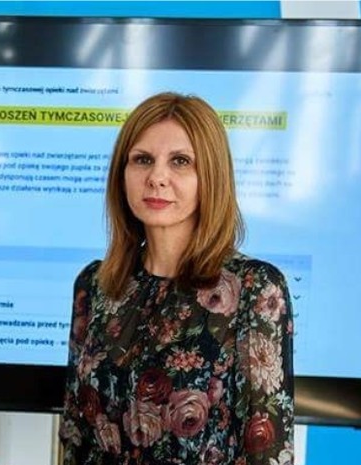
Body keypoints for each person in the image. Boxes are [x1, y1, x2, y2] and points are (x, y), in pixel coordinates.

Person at [59, 92, 294, 465]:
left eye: (180, 161)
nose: (156, 177)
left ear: (210, 176)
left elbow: (266, 451)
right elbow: (76, 435)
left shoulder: (254, 288)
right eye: (142, 159)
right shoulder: (94, 284)